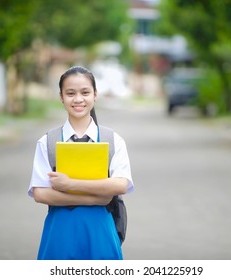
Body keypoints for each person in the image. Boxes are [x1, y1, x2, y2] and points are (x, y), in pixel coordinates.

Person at [28, 66, 134, 260]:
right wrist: (94, 198)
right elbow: (40, 192)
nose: (78, 99)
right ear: (61, 96)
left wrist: (70, 185)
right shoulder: (48, 142)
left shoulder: (112, 140)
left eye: (85, 92)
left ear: (95, 95)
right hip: (59, 234)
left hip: (100, 233)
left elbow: (121, 184)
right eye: (70, 93)